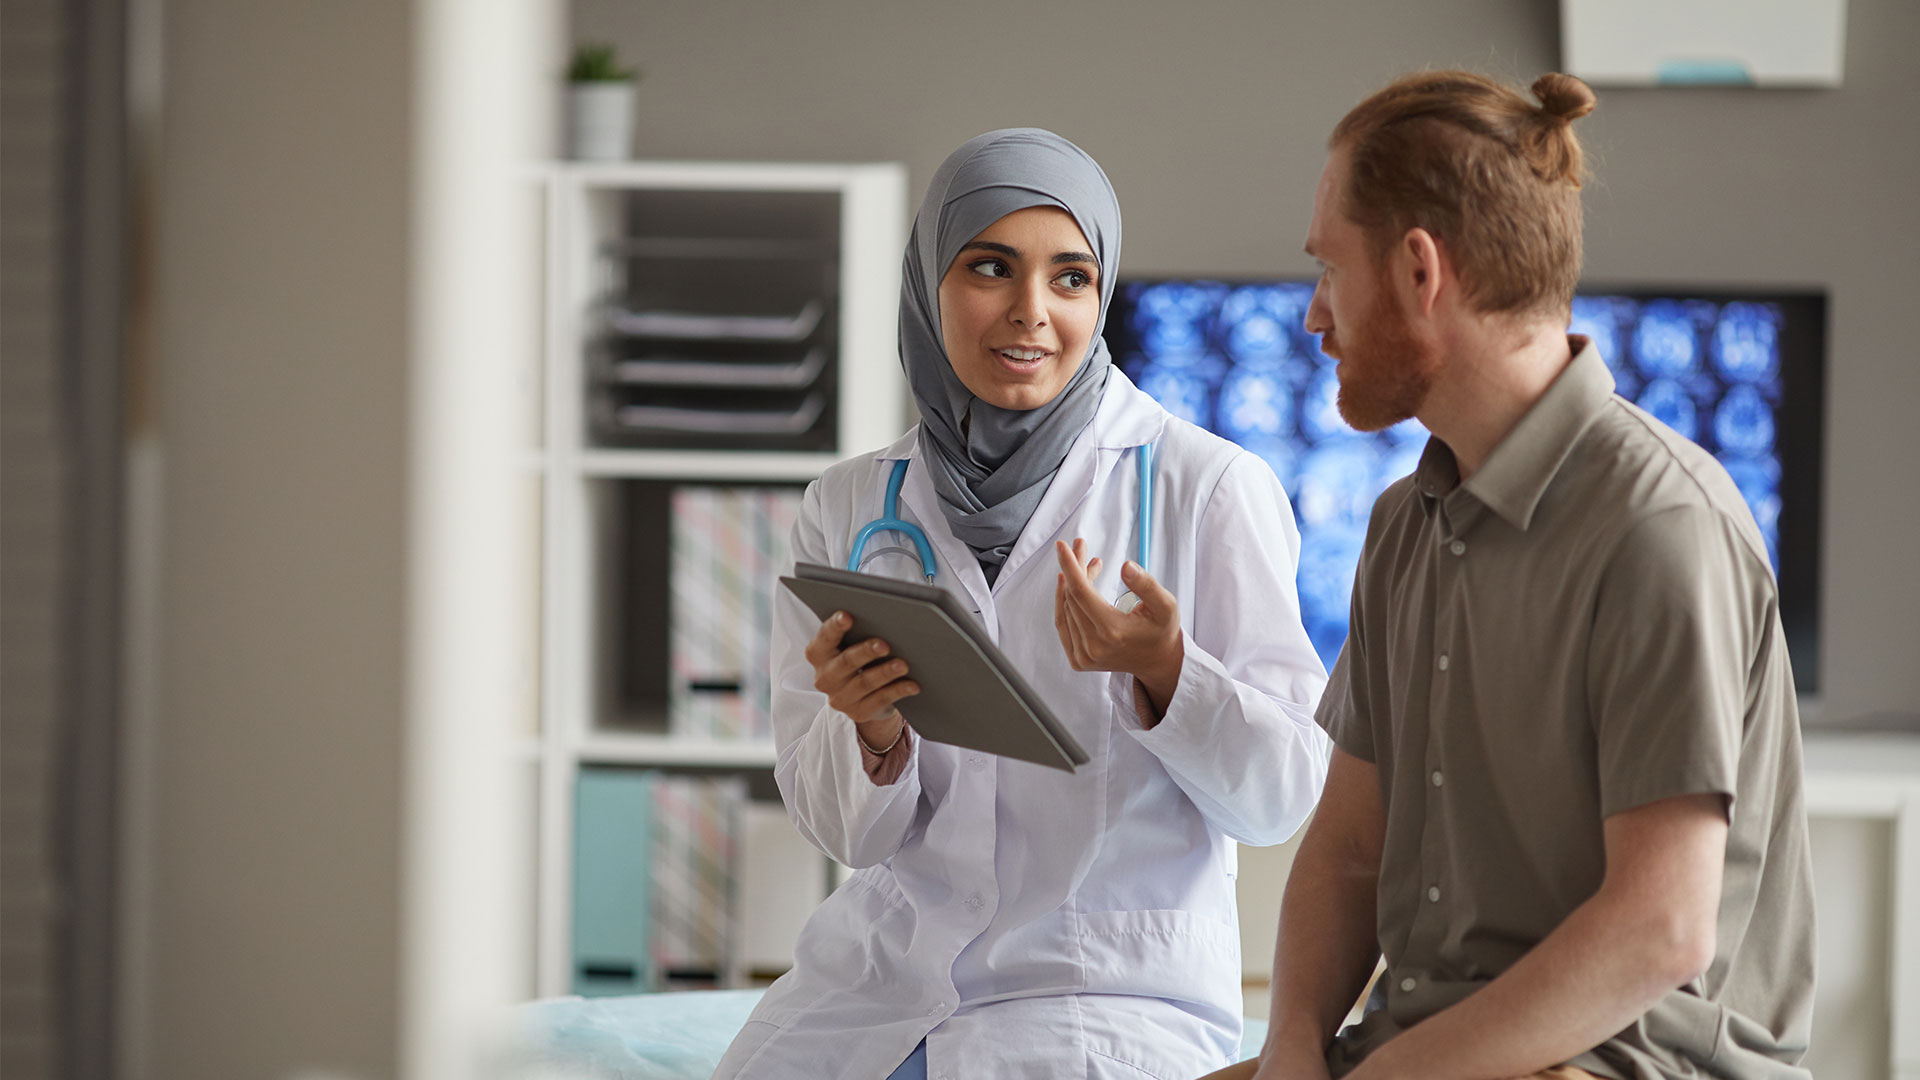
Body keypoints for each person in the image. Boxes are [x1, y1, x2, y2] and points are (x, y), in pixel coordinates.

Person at [1208, 71, 1816, 1080]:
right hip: (1427, 1045)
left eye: (1328, 269)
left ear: (1417, 272)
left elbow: (1659, 930)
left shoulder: (1659, 526)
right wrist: (1291, 1049)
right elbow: (1351, 844)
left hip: (1623, 1058)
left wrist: (1388, 1077)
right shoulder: (1404, 525)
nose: (1314, 316)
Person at [711, 128, 1332, 1080]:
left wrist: (1169, 673)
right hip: (876, 984)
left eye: (1071, 278)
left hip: (1103, 996)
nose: (1031, 313)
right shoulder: (848, 503)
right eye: (990, 268)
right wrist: (874, 733)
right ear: (929, 283)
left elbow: (1281, 798)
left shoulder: (1208, 487)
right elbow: (842, 833)